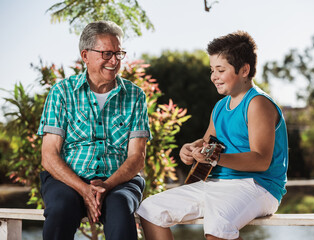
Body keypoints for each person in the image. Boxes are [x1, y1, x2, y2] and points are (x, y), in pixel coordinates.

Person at [137, 30, 288, 240]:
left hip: (258, 186)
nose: (213, 76)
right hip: (216, 184)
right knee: (150, 210)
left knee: (217, 225)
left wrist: (215, 157)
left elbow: (261, 160)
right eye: (212, 70)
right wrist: (191, 149)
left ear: (244, 70)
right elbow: (207, 144)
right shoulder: (220, 107)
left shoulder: (257, 104)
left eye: (220, 69)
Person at [37, 20, 151, 240]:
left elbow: (137, 157)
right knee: (60, 208)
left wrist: (106, 185)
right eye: (107, 54)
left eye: (119, 54)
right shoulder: (62, 92)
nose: (114, 61)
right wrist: (83, 189)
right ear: (85, 55)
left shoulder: (135, 95)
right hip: (68, 180)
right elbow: (49, 156)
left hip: (119, 181)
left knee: (119, 206)